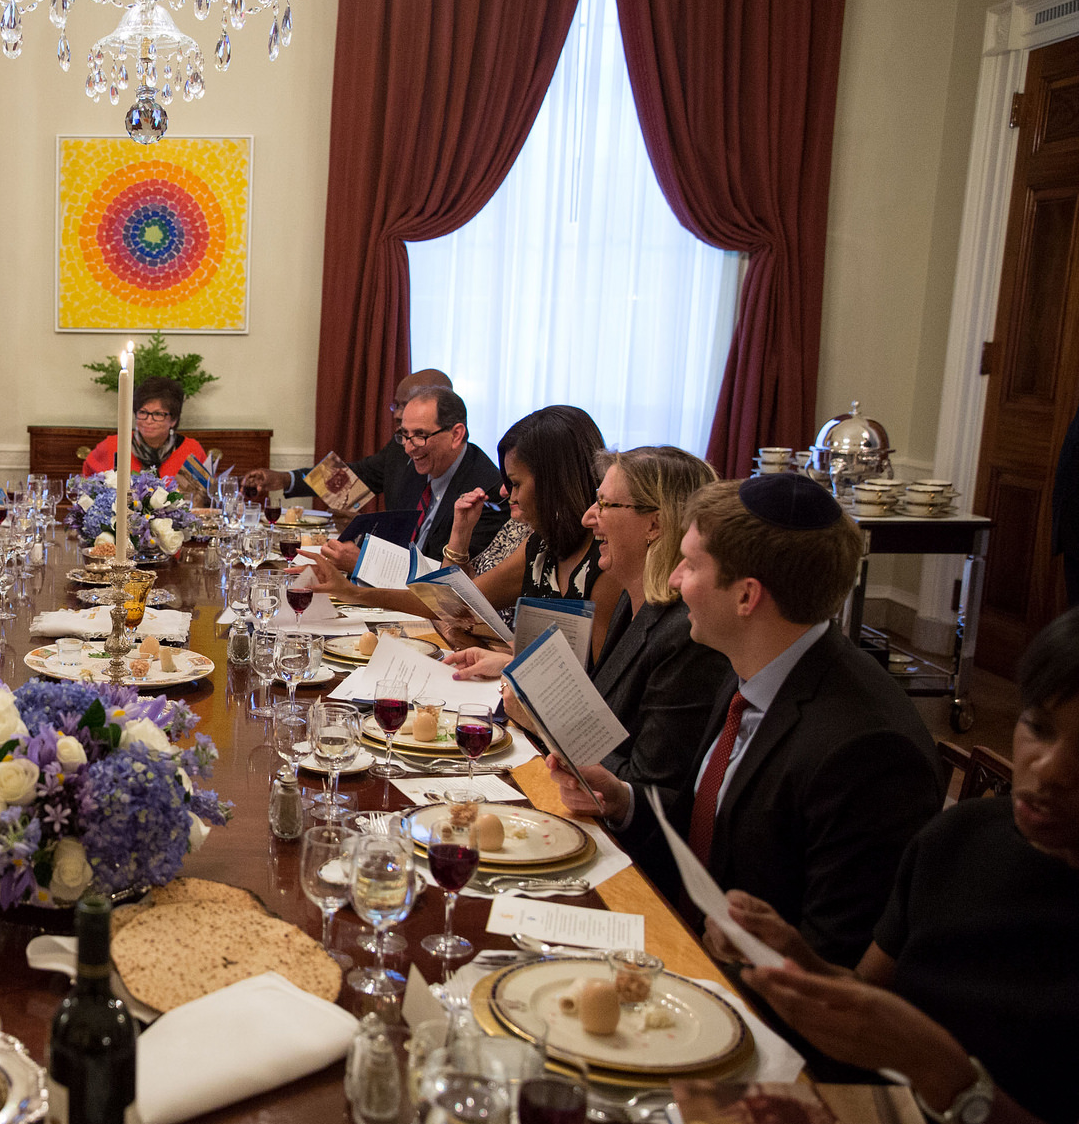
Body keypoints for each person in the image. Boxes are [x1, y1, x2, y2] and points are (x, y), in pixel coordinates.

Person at [712, 608, 1079, 1124]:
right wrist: (795, 961)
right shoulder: (961, 837)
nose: (1048, 769)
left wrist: (948, 1079)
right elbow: (866, 999)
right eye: (1037, 727)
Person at [554, 475, 944, 966]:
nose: (673, 581)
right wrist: (623, 799)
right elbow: (714, 822)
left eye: (690, 565)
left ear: (746, 597)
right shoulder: (756, 662)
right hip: (680, 937)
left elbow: (836, 965)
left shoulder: (868, 751)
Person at [455, 447, 729, 816]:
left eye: (604, 504)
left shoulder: (684, 633)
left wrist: (541, 719)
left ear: (655, 525)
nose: (588, 518)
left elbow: (649, 785)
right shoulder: (633, 603)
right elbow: (601, 716)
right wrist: (512, 664)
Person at [311, 405, 616, 645]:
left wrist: (503, 657)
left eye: (515, 483)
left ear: (554, 484)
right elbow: (451, 603)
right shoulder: (541, 546)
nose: (504, 491)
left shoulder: (606, 560)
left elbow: (597, 684)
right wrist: (352, 591)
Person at [244, 368, 453, 519]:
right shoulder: (399, 447)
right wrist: (284, 479)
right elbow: (353, 476)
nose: (398, 415)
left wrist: (362, 530)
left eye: (406, 405)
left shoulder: (472, 478)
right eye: (396, 405)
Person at [81, 376, 207, 480]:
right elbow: (87, 487)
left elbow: (205, 498)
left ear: (173, 420)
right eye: (143, 412)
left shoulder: (191, 451)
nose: (148, 420)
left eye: (158, 414)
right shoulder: (113, 445)